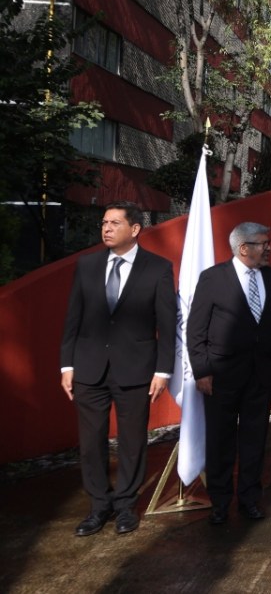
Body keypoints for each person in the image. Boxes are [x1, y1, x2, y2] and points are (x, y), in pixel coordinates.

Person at [59, 201, 176, 536]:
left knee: (132, 441)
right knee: (91, 441)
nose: (106, 228)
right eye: (103, 222)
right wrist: (67, 365)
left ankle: (126, 505)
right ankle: (98, 506)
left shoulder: (158, 268)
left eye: (114, 223)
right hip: (89, 369)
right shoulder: (87, 265)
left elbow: (166, 325)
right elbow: (73, 319)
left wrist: (163, 370)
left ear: (135, 229)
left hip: (136, 370)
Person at [188, 222, 271, 525]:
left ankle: (249, 499)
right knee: (220, 441)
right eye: (263, 243)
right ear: (244, 248)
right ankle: (220, 502)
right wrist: (202, 371)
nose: (269, 247)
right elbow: (196, 330)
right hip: (221, 376)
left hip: (261, 374)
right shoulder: (213, 278)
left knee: (254, 439)